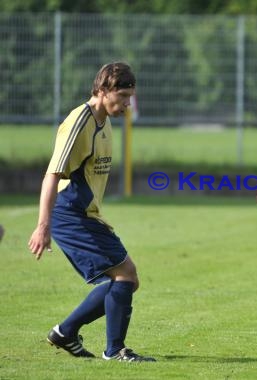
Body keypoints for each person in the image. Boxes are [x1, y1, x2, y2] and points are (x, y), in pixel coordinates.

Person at [28, 62, 155, 362]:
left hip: (84, 214)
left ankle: (66, 332)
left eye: (129, 97)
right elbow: (52, 174)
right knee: (125, 275)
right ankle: (114, 350)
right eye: (122, 96)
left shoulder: (105, 121)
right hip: (68, 214)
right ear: (102, 90)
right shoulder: (79, 122)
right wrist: (42, 225)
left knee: (127, 279)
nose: (126, 104)